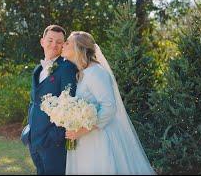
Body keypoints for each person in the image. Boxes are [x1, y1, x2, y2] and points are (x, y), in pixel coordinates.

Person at [61, 31, 156, 175]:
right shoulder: (83, 72)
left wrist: (80, 131)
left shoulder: (96, 72)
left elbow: (109, 107)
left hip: (99, 140)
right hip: (85, 140)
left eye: (67, 42)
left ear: (78, 48)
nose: (63, 45)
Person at [20, 25, 78, 175]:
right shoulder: (37, 70)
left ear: (63, 44)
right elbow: (35, 101)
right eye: (50, 40)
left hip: (53, 142)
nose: (54, 45)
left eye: (59, 42)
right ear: (42, 41)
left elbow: (69, 104)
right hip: (33, 139)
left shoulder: (67, 68)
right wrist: (29, 128)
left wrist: (55, 136)